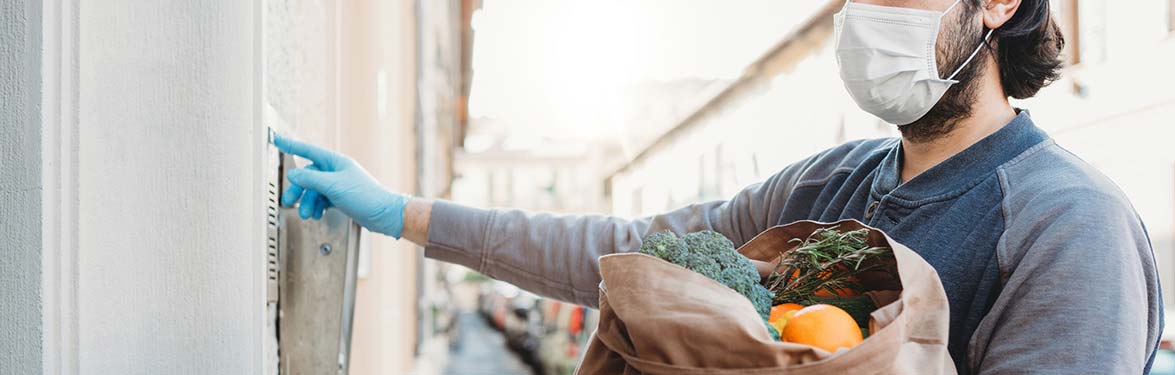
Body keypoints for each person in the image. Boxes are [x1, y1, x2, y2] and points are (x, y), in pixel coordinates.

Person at [274, 0, 1162, 373]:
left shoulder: (1067, 229)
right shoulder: (828, 181)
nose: (862, 18)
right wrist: (404, 213)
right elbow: (623, 255)